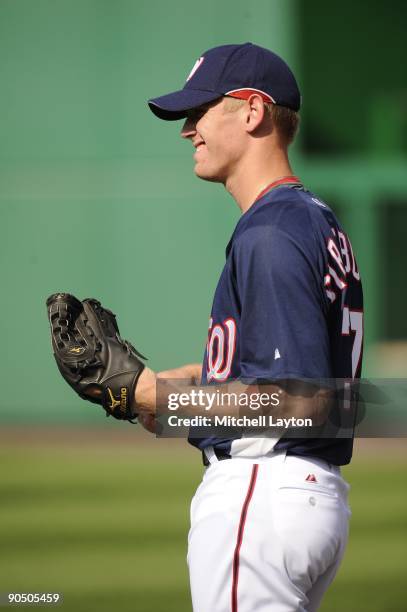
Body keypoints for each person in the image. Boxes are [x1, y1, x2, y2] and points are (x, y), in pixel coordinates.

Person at [134, 42, 364, 612]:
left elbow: (300, 401)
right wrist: (161, 390)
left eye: (200, 110)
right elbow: (262, 374)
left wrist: (164, 402)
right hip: (300, 495)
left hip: (261, 493)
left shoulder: (271, 231)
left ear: (253, 111)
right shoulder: (311, 220)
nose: (189, 129)